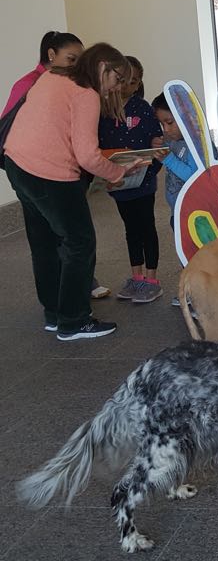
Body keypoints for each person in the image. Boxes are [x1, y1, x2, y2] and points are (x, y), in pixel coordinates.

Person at [3, 43, 143, 340]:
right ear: (104, 66)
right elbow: (87, 157)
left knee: (44, 243)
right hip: (50, 174)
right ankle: (74, 321)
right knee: (79, 242)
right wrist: (118, 173)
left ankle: (54, 314)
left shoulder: (53, 77)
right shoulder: (85, 94)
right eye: (118, 80)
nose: (116, 89)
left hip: (17, 165)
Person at [1, 31, 111, 299]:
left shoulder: (56, 81)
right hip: (44, 171)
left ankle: (59, 307)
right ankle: (72, 313)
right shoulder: (38, 82)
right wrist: (114, 171)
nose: (77, 66)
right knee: (72, 239)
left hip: (34, 168)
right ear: (51, 55)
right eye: (71, 59)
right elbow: (11, 124)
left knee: (54, 238)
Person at [98, 57, 165, 303]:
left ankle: (152, 280)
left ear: (138, 84)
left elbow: (157, 145)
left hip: (144, 183)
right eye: (123, 79)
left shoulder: (144, 109)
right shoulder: (104, 111)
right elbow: (97, 148)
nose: (127, 85)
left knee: (146, 227)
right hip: (119, 185)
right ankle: (136, 277)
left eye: (134, 81)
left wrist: (149, 170)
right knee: (130, 229)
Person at [150, 92, 197, 307]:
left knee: (195, 253)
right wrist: (160, 146)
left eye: (169, 123)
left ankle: (199, 296)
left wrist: (167, 159)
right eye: (162, 124)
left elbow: (194, 177)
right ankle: (189, 291)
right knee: (183, 252)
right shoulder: (175, 141)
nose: (166, 130)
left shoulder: (196, 143)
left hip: (194, 211)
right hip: (176, 211)